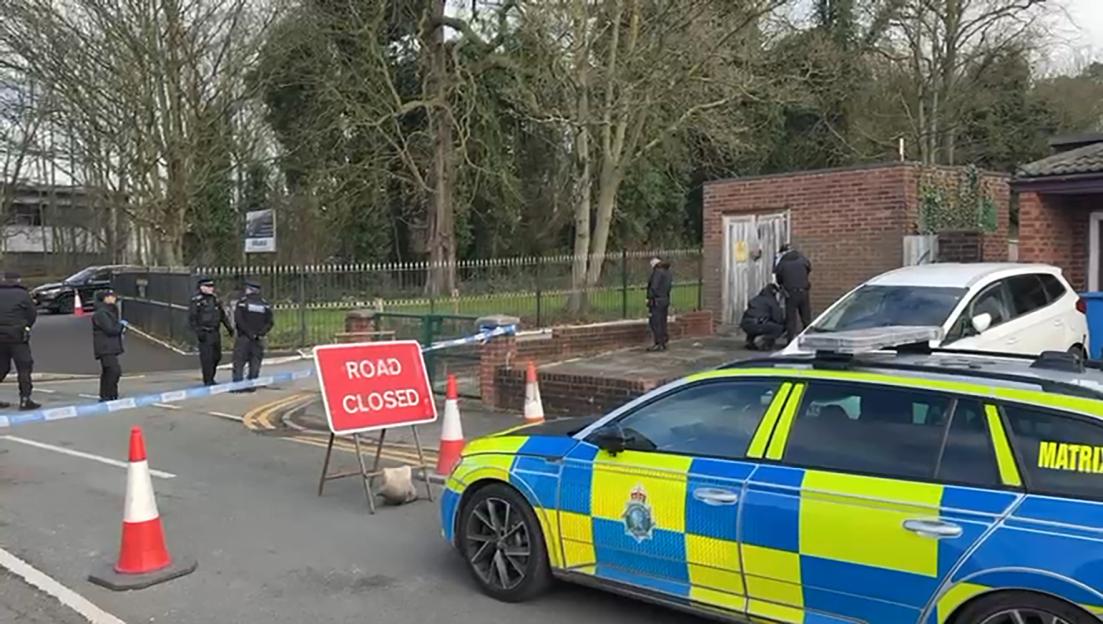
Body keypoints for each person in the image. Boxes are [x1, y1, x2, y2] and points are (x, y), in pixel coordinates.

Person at [0, 271, 39, 410]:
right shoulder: (23, 294)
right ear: (18, 279)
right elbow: (32, 314)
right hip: (17, 336)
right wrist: (26, 326)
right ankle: (25, 399)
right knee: (24, 367)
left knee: (2, 367)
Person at [188, 277, 233, 386]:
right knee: (207, 358)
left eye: (212, 286)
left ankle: (211, 375)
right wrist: (199, 332)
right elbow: (192, 319)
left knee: (217, 356)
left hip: (215, 332)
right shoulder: (197, 301)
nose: (211, 289)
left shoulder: (215, 299)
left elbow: (222, 315)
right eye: (208, 286)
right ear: (201, 287)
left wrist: (229, 328)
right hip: (205, 332)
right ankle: (208, 380)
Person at [232, 280, 273, 391]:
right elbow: (270, 322)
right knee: (255, 361)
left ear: (249, 290)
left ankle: (238, 385)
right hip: (259, 338)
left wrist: (249, 333)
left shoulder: (242, 303)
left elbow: (239, 320)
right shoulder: (265, 304)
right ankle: (252, 384)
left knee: (239, 361)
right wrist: (261, 333)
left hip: (244, 337)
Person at [91, 289, 126, 402]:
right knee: (114, 370)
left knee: (108, 371)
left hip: (109, 346)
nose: (114, 298)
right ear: (105, 298)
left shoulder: (108, 311)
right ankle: (108, 394)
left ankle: (108, 395)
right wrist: (121, 326)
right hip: (105, 347)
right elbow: (110, 329)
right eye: (111, 296)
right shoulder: (101, 313)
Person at [774, 243, 813, 341]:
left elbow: (779, 278)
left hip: (790, 292)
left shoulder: (782, 263)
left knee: (791, 319)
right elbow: (809, 269)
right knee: (806, 317)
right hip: (804, 291)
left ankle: (790, 341)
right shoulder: (802, 259)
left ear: (783, 252)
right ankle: (809, 339)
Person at [740, 284, 786, 351]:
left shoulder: (755, 299)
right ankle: (764, 343)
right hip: (758, 324)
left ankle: (750, 342)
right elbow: (778, 319)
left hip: (745, 325)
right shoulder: (771, 301)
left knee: (755, 323)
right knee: (778, 328)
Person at [646, 257, 673, 352]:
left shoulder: (657, 272)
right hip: (665, 300)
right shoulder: (668, 272)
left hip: (656, 301)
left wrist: (649, 298)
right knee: (663, 321)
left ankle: (658, 343)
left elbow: (654, 287)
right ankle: (663, 341)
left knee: (655, 322)